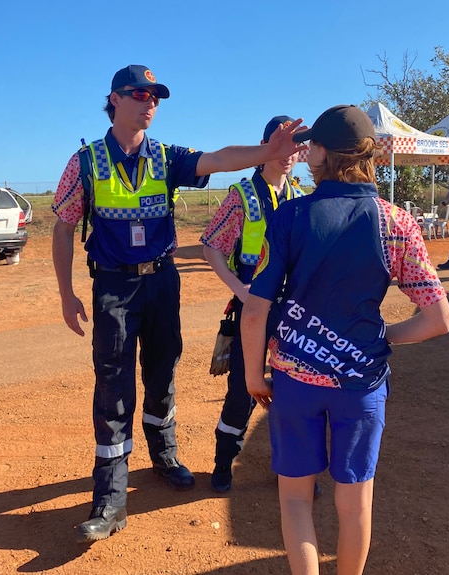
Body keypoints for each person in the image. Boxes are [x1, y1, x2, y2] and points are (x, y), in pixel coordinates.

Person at [51, 64, 305, 543]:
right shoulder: (84, 162)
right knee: (113, 384)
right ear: (114, 99)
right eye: (139, 93)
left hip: (162, 282)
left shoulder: (166, 157)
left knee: (163, 370)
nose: (150, 102)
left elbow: (218, 159)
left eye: (156, 96)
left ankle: (163, 454)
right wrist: (66, 293)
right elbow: (63, 228)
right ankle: (110, 499)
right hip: (114, 287)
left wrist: (267, 152)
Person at [241, 105, 449, 575]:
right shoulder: (397, 222)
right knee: (355, 502)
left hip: (295, 378)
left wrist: (255, 376)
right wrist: (380, 339)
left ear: (319, 153)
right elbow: (439, 319)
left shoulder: (290, 216)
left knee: (295, 499)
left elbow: (255, 309)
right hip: (362, 383)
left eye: (310, 144)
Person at [199, 115, 306, 493]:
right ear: (265, 147)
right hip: (253, 308)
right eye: (281, 144)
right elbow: (211, 244)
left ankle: (292, 468)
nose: (288, 154)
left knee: (293, 389)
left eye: (295, 146)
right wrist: (239, 290)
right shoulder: (242, 195)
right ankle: (224, 462)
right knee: (244, 390)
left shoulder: (301, 197)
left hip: (291, 311)